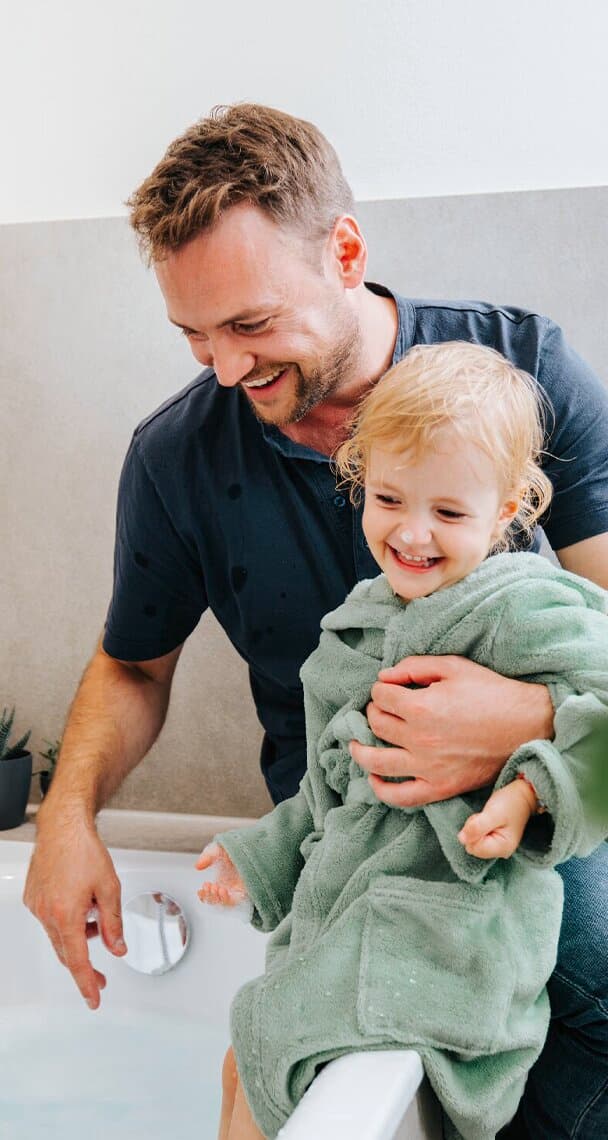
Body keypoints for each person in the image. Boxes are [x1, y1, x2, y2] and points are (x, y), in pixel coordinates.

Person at [23, 104, 608, 1137]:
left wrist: (518, 718)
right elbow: (133, 667)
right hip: (338, 823)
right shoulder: (177, 457)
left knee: (591, 973)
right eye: (193, 334)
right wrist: (65, 823)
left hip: (526, 816)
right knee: (263, 1050)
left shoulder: (517, 375)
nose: (224, 368)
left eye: (249, 325)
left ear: (343, 251)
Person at [196, 341, 608, 1140]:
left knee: (267, 1073)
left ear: (512, 506)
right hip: (351, 922)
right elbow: (330, 790)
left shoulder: (526, 608)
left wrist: (531, 789)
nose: (413, 533)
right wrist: (257, 855)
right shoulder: (360, 622)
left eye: (450, 513)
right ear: (358, 474)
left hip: (450, 936)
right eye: (389, 498)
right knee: (240, 1060)